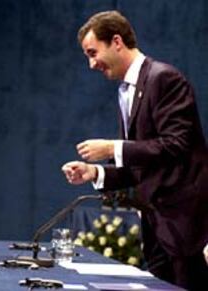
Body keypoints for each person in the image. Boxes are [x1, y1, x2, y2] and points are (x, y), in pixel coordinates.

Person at [61, 10, 208, 290]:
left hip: (183, 224)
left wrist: (112, 147)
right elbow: (141, 163)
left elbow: (176, 144)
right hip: (156, 227)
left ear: (117, 41)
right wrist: (95, 172)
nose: (91, 64)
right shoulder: (126, 90)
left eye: (93, 53)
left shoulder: (164, 78)